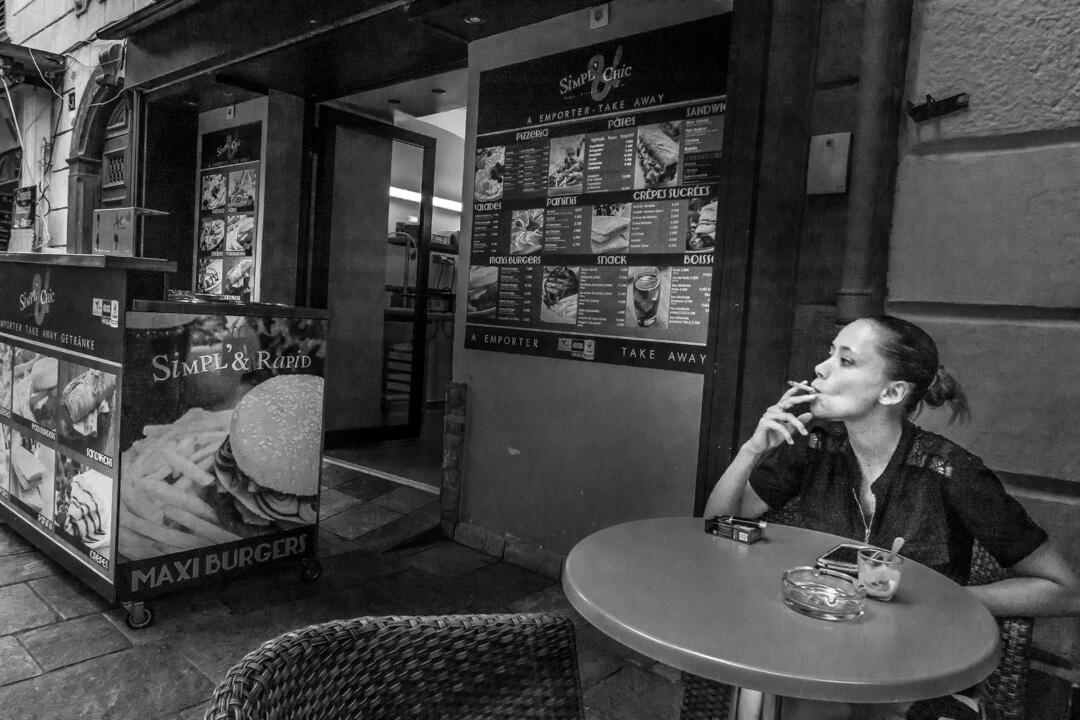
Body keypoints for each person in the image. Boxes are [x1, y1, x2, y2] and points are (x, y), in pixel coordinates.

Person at [704, 316, 1080, 719]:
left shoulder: (950, 472)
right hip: (820, 645)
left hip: (915, 665)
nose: (821, 368)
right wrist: (752, 450)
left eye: (846, 361)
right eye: (830, 353)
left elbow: (1063, 590)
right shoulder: (814, 445)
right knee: (770, 684)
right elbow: (718, 524)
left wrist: (936, 597)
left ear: (893, 392)